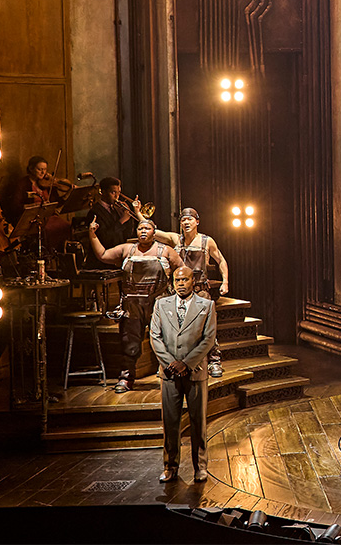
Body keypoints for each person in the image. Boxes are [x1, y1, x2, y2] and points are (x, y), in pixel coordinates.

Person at [89, 218, 183, 393]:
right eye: (140, 228)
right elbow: (102, 255)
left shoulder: (165, 251)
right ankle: (126, 378)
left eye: (147, 228)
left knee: (167, 342)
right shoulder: (127, 249)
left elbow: (182, 271)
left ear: (154, 232)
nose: (143, 231)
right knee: (129, 343)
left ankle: (172, 377)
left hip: (159, 304)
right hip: (132, 305)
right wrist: (92, 235)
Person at [149, 266, 217, 483]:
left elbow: (208, 339)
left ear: (192, 281)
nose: (180, 284)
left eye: (184, 280)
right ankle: (170, 467)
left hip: (195, 372)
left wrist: (186, 364)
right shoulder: (161, 304)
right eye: (177, 280)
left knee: (198, 422)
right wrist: (171, 363)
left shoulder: (206, 306)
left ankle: (200, 467)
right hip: (169, 374)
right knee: (170, 423)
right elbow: (155, 337)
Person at [150, 207, 230, 377]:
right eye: (183, 220)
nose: (186, 222)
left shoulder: (206, 241)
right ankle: (169, 363)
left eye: (190, 219)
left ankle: (214, 360)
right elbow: (152, 231)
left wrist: (225, 281)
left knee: (207, 328)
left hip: (199, 291)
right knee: (174, 328)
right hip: (178, 291)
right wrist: (139, 213)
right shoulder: (175, 239)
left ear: (197, 222)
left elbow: (221, 260)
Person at [85, 177, 137, 268]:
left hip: (118, 258)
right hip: (102, 261)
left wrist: (129, 218)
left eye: (119, 193)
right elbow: (105, 238)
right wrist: (122, 221)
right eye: (113, 192)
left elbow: (127, 235)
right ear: (102, 192)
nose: (117, 196)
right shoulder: (94, 212)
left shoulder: (117, 209)